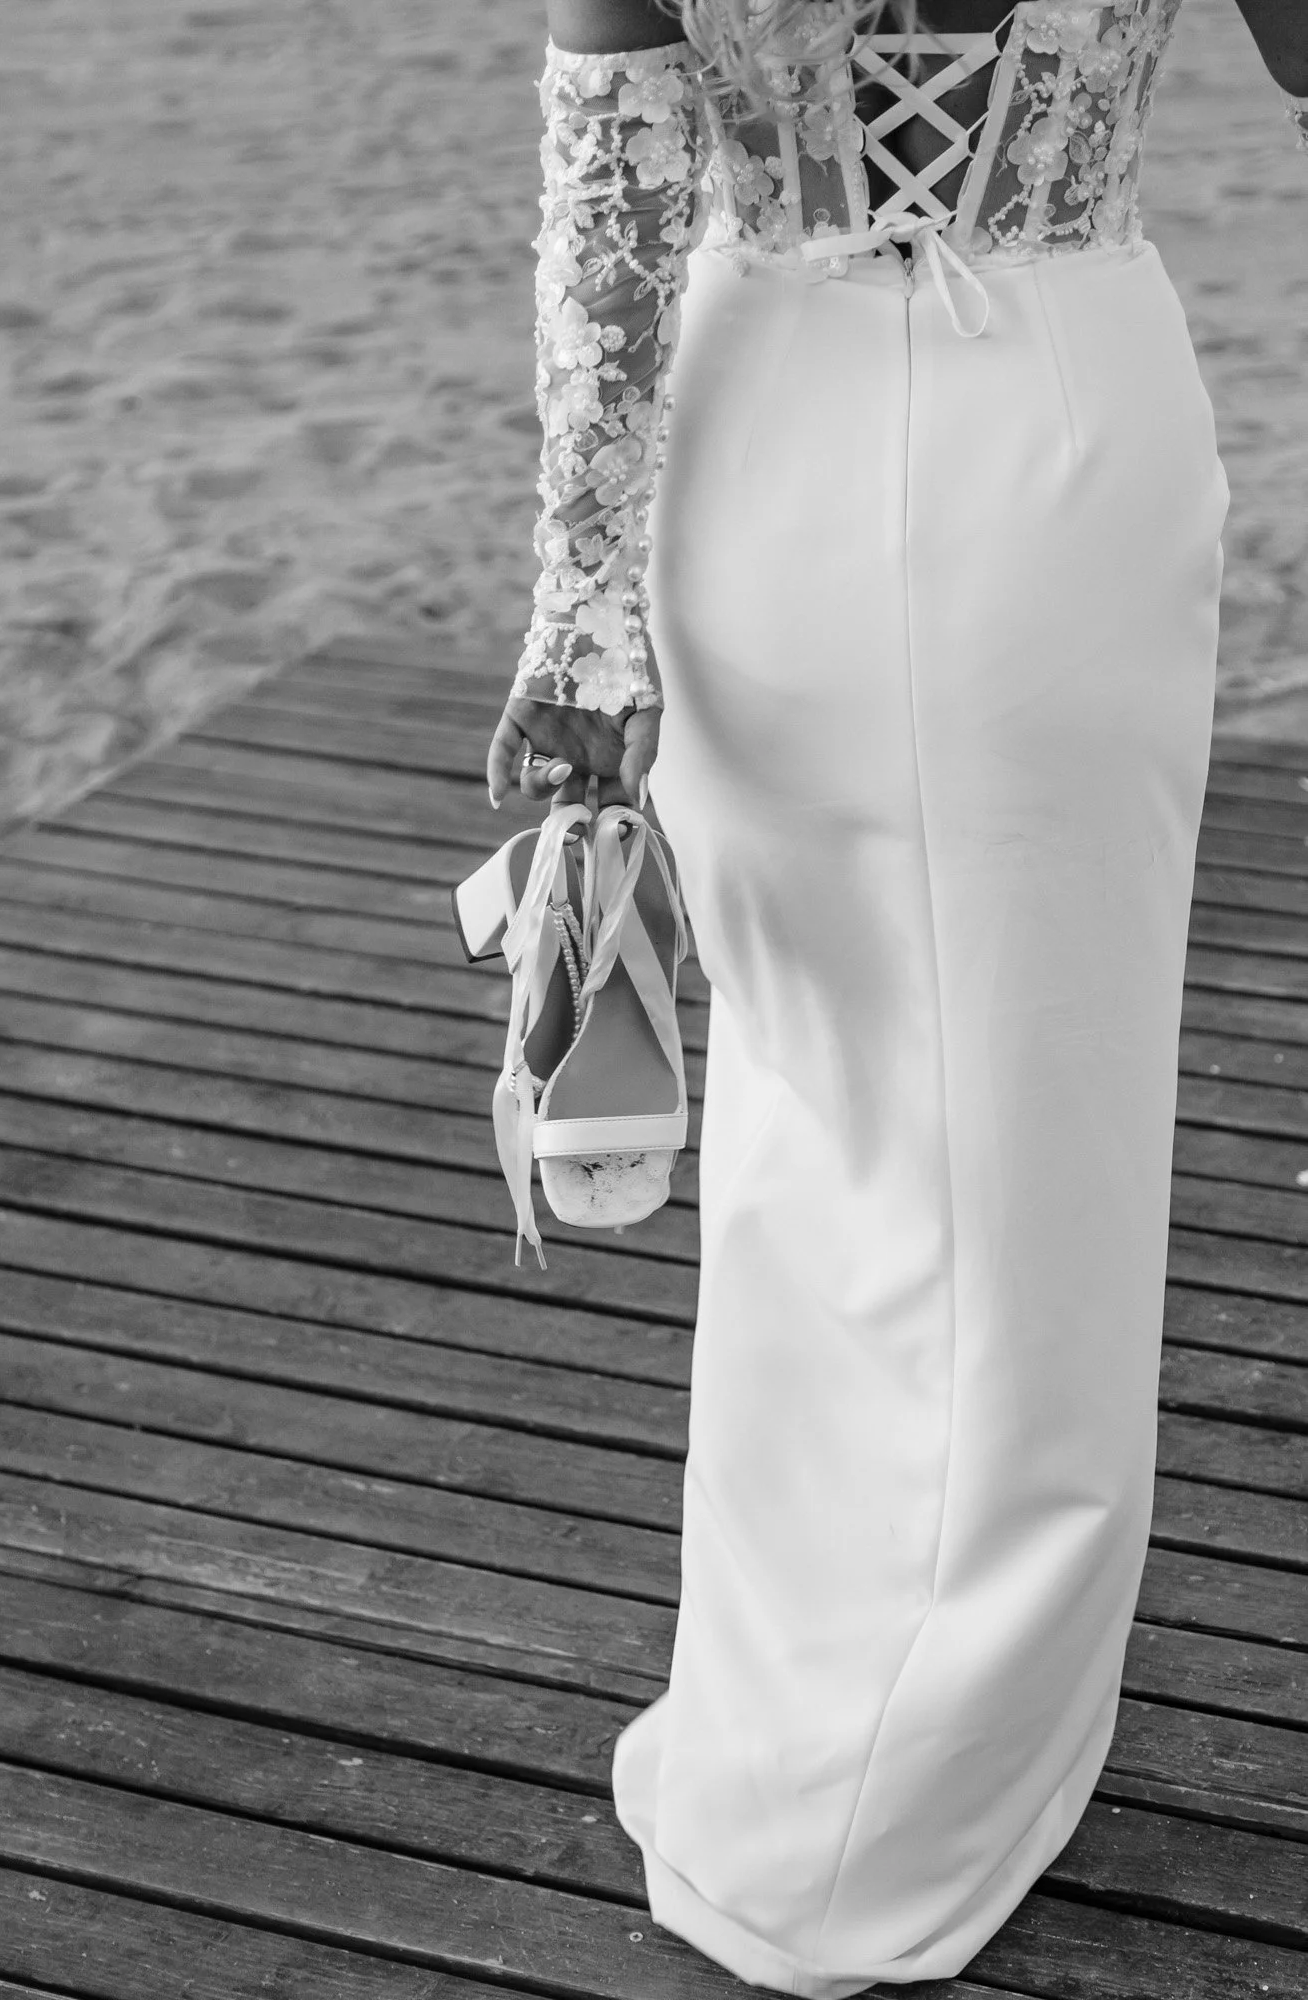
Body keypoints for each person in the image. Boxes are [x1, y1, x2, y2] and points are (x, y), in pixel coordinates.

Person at [485, 2, 1308, 1991]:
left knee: (817, 1115)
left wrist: (581, 609)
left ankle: (804, 1763)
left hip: (769, 440)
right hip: (1067, 426)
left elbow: (611, 166)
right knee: (1050, 1132)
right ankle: (965, 1756)